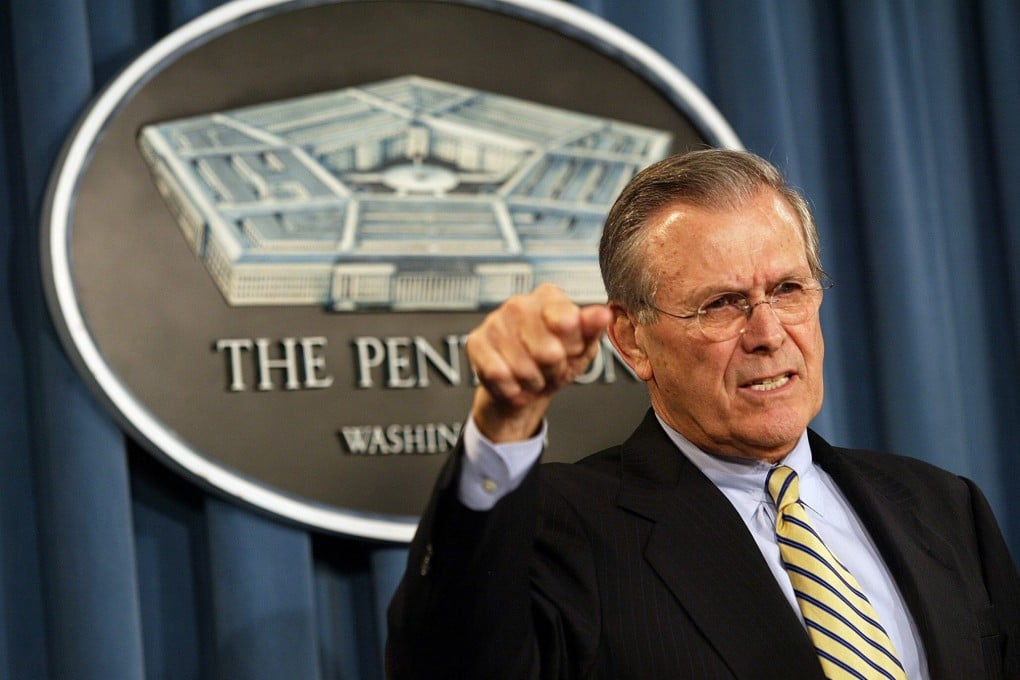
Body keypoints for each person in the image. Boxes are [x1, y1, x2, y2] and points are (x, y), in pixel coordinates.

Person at [386, 149, 1020, 679]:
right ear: (633, 340)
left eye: (788, 290)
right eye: (722, 304)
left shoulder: (944, 508)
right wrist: (503, 427)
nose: (769, 333)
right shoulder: (565, 527)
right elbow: (451, 662)